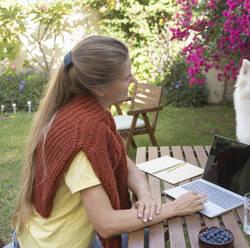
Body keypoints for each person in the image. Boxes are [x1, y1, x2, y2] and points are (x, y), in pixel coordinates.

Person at [8, 35, 206, 248]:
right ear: (99, 88)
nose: (133, 81)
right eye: (126, 77)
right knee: (152, 233)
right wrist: (175, 207)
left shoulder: (88, 114)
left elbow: (123, 160)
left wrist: (145, 194)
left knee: (149, 230)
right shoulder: (83, 138)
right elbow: (107, 224)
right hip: (54, 244)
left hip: (51, 235)